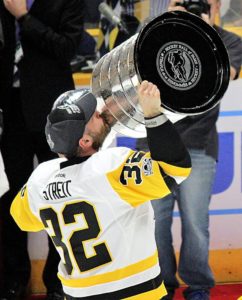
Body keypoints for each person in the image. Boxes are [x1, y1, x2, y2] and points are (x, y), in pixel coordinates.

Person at [10, 80, 191, 300]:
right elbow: (175, 170)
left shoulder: (40, 178)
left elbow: (22, 219)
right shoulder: (111, 166)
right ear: (85, 140)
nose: (99, 112)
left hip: (77, 295)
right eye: (93, 115)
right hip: (137, 293)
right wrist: (153, 114)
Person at [136, 1, 242, 299]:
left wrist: (203, 36)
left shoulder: (228, 40)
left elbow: (227, 75)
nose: (192, 7)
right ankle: (161, 285)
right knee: (155, 222)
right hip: (153, 143)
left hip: (198, 143)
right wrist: (172, 26)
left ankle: (198, 286)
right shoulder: (155, 32)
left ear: (216, 5)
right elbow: (136, 75)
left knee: (196, 223)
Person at [0, 0, 85, 299]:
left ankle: (59, 282)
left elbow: (67, 48)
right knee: (10, 198)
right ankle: (13, 280)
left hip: (54, 112)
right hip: (10, 113)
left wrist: (24, 17)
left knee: (60, 196)